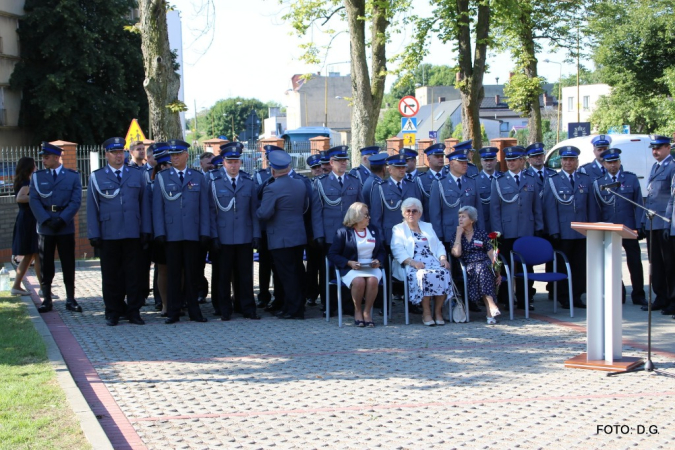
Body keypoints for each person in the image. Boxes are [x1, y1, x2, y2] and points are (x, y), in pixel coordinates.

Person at [87, 137, 146, 326]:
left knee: (134, 274)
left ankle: (134, 310)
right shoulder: (97, 176)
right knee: (111, 275)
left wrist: (146, 230)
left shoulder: (136, 175)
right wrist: (94, 233)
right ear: (106, 155)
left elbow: (144, 204)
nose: (118, 156)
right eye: (114, 152)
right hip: (109, 233)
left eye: (121, 152)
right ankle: (113, 311)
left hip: (132, 232)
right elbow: (92, 208)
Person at [152, 139, 210, 324]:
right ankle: (173, 311)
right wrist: (159, 231)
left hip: (192, 233)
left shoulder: (198, 177)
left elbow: (204, 208)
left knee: (193, 274)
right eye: (172, 155)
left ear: (186, 155)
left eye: (178, 155)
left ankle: (195, 311)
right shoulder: (162, 177)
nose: (174, 158)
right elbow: (157, 207)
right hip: (171, 233)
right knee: (173, 274)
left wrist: (205, 231)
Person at [29, 142, 82, 313]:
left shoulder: (72, 176)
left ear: (56, 157)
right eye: (43, 157)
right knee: (46, 264)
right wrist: (45, 219)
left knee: (68, 263)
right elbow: (34, 200)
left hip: (64, 225)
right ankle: (47, 299)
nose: (43, 160)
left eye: (46, 157)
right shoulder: (37, 177)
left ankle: (71, 299)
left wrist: (62, 219)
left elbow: (75, 201)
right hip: (46, 226)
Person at [543, 146, 597, 309]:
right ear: (561, 161)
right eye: (565, 160)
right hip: (563, 231)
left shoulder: (585, 179)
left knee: (580, 266)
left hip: (581, 231)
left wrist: (592, 228)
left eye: (571, 160)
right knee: (562, 265)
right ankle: (563, 296)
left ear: (577, 162)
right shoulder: (553, 180)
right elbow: (550, 209)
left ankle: (577, 295)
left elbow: (591, 207)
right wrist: (554, 230)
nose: (568, 163)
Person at [256, 150, 309, 319]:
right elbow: (305, 207)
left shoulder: (272, 188)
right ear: (288, 167)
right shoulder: (300, 183)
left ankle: (294, 309)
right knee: (297, 270)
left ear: (272, 169)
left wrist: (255, 211)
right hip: (298, 234)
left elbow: (264, 214)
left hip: (280, 237)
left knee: (287, 275)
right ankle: (294, 305)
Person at [490, 146, 544, 310]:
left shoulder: (531, 179)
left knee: (526, 266)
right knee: (506, 267)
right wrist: (497, 231)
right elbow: (495, 209)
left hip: (526, 230)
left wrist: (539, 228)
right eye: (508, 160)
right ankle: (507, 299)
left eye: (514, 160)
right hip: (506, 231)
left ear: (522, 161)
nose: (511, 163)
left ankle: (526, 298)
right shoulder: (499, 181)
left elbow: (537, 208)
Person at [594, 148, 646, 306]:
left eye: (615, 162)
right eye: (609, 162)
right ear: (604, 164)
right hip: (610, 228)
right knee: (613, 262)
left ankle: (638, 294)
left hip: (629, 227)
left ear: (619, 162)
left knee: (635, 262)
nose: (613, 165)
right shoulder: (599, 183)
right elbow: (596, 209)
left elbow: (639, 204)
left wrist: (640, 225)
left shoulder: (630, 179)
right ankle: (619, 293)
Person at [391, 198, 452, 326]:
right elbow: (397, 250)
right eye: (408, 211)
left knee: (444, 273)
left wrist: (443, 258)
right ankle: (426, 312)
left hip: (432, 261)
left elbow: (439, 245)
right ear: (403, 213)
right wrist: (413, 263)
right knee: (424, 275)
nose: (411, 214)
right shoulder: (398, 229)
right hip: (411, 263)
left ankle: (438, 311)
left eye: (414, 211)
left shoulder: (427, 226)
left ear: (420, 213)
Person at [313, 145, 359, 307]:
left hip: (351, 234)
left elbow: (360, 209)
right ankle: (329, 304)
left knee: (350, 268)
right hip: (330, 233)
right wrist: (318, 234)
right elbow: (316, 211)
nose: (343, 164)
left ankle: (347, 304)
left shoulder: (354, 181)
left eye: (345, 160)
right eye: (339, 161)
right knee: (328, 270)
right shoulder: (321, 183)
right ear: (331, 162)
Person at [328, 202, 386, 327]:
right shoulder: (343, 232)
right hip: (351, 268)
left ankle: (367, 312)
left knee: (372, 281)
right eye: (366, 215)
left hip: (371, 267)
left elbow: (381, 251)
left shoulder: (373, 230)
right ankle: (358, 310)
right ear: (356, 216)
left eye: (368, 215)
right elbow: (332, 254)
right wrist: (348, 262)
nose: (368, 218)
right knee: (359, 281)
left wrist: (378, 261)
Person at [449, 206, 501, 324]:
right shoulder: (456, 235)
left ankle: (491, 311)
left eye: (463, 217)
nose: (460, 219)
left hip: (484, 265)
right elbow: (456, 254)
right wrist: (458, 235)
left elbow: (491, 254)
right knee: (482, 270)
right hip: (467, 266)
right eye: (459, 217)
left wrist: (497, 272)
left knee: (484, 269)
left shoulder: (481, 233)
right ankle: (491, 310)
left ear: (471, 220)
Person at [643, 134, 675, 313]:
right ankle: (660, 296)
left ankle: (672, 300)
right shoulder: (655, 167)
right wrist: (643, 220)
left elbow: (672, 197)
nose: (655, 151)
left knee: (669, 264)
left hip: (665, 223)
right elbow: (651, 196)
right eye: (653, 148)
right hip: (652, 223)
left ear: (668, 148)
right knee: (655, 263)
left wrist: (669, 222)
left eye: (659, 147)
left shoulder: (672, 167)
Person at [142, 147, 171, 316]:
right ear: (160, 167)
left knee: (180, 270)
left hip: (178, 233)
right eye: (166, 165)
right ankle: (164, 303)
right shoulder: (151, 186)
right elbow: (148, 212)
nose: (168, 168)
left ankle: (178, 302)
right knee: (163, 270)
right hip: (160, 234)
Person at [10, 157, 41, 296]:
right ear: (30, 167)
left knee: (31, 256)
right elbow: (20, 197)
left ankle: (17, 286)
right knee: (35, 254)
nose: (36, 167)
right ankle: (44, 289)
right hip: (29, 221)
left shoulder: (21, 181)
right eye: (34, 165)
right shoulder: (27, 183)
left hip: (26, 219)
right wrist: (37, 197)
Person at [415, 143, 445, 222]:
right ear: (428, 159)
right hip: (430, 222)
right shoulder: (421, 180)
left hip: (449, 224)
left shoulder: (449, 177)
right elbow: (418, 206)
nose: (441, 159)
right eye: (437, 156)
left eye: (442, 156)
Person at [475, 147, 501, 229]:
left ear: (496, 161)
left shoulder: (502, 179)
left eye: (491, 160)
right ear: (481, 162)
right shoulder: (475, 180)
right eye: (486, 160)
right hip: (484, 223)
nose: (488, 163)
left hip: (501, 222)